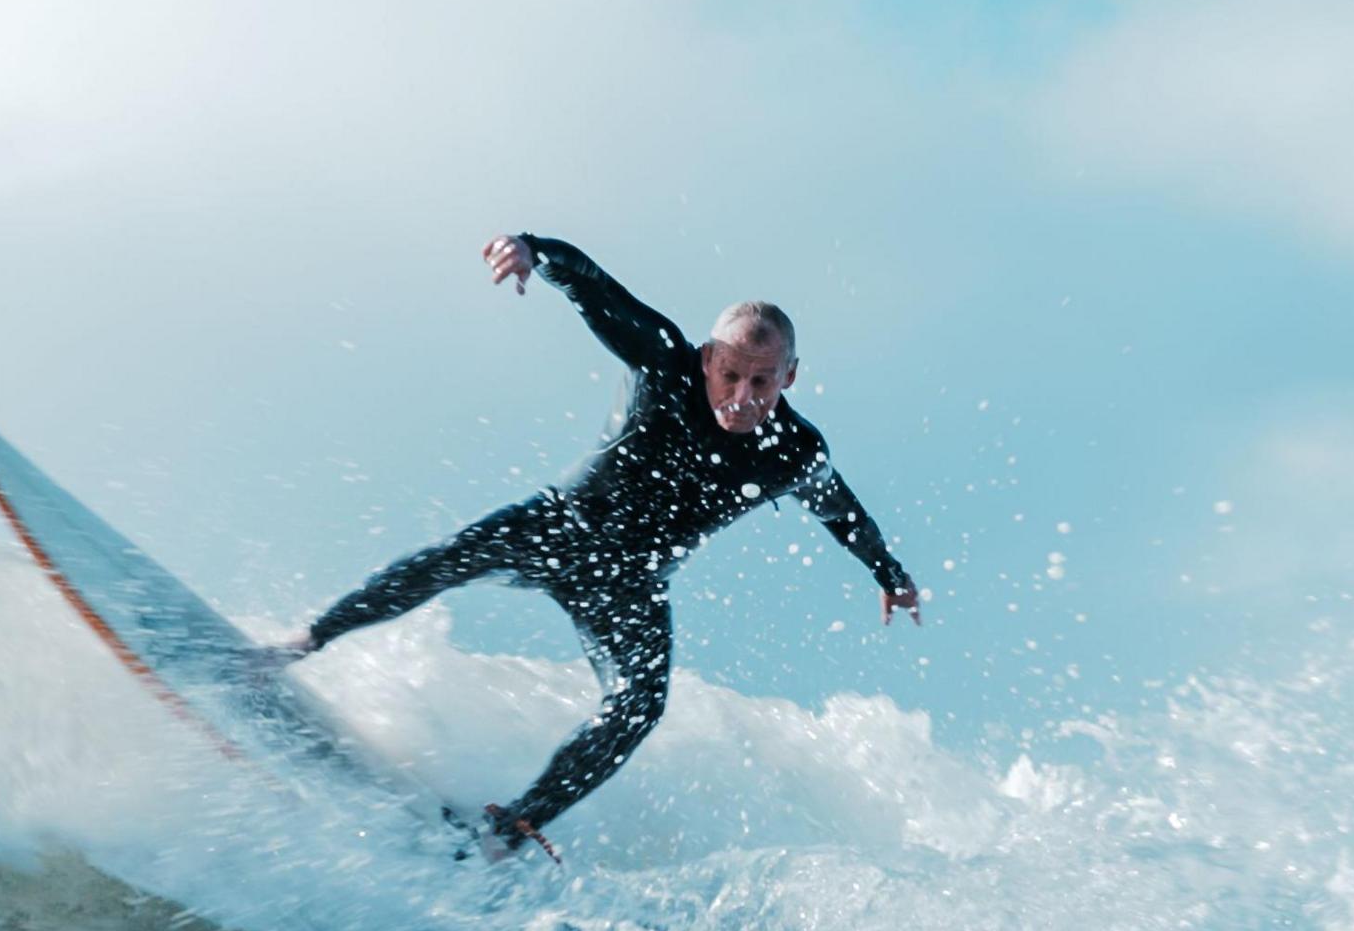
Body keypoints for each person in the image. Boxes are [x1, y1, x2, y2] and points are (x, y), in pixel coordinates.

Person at [276, 233, 920, 854]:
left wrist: (888, 574)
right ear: (707, 359)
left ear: (791, 376)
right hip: (564, 527)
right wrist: (534, 250)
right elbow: (593, 286)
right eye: (730, 376)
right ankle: (303, 642)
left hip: (632, 581)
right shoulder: (665, 359)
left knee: (641, 703)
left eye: (764, 383)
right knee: (453, 556)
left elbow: (842, 511)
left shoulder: (794, 450)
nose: (742, 398)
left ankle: (512, 832)